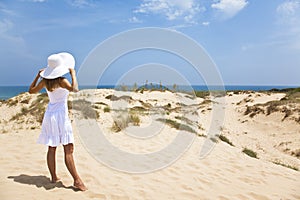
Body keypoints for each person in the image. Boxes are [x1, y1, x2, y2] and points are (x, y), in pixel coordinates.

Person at [29, 52, 87, 191]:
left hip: (50, 115)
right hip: (61, 115)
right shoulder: (62, 81)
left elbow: (31, 91)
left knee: (52, 147)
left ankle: (54, 177)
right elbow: (75, 89)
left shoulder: (45, 81)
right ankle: (77, 181)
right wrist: (73, 74)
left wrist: (38, 76)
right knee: (68, 148)